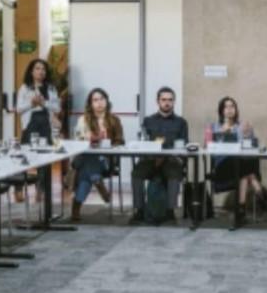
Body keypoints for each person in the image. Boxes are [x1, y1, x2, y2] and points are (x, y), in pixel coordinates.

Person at [130, 87, 188, 224]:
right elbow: (143, 142)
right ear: (158, 101)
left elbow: (184, 143)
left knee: (174, 174)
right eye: (164, 100)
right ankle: (139, 211)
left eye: (170, 100)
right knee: (136, 173)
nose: (167, 103)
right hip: (150, 159)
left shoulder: (181, 122)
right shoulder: (148, 120)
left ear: (174, 102)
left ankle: (170, 212)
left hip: (171, 159)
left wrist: (166, 155)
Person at [206, 96, 264, 226]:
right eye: (226, 106)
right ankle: (256, 185)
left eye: (232, 106)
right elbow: (208, 148)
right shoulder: (213, 127)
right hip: (222, 167)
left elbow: (251, 148)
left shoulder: (242, 126)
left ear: (236, 109)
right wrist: (221, 134)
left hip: (239, 167)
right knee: (242, 167)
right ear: (221, 110)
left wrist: (248, 135)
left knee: (242, 173)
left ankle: (241, 211)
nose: (229, 109)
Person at [71, 88, 123, 222]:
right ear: (90, 103)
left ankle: (76, 206)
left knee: (88, 168)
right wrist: (89, 140)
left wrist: (107, 144)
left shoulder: (114, 120)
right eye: (95, 100)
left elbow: (120, 141)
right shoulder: (83, 119)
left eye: (102, 99)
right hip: (84, 157)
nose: (99, 102)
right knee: (89, 163)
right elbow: (76, 140)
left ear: (107, 101)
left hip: (105, 159)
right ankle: (97, 181)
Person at [16, 59, 62, 201]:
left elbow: (57, 109)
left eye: (43, 69)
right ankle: (19, 189)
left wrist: (44, 103)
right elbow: (18, 109)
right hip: (30, 124)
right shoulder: (25, 88)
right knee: (25, 157)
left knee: (44, 159)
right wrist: (32, 103)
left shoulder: (51, 88)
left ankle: (40, 190)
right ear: (32, 71)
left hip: (46, 125)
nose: (41, 71)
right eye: (37, 68)